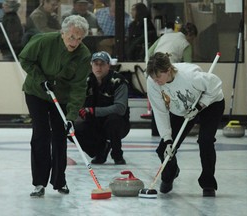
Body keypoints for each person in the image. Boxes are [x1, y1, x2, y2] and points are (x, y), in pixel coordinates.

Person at [19, 15, 91, 197]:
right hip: (37, 92)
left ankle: (60, 181)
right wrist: (41, 80)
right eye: (71, 37)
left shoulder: (83, 55)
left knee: (60, 136)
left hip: (62, 98)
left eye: (79, 38)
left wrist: (71, 116)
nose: (75, 42)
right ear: (63, 33)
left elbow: (79, 87)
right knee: (41, 134)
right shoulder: (44, 41)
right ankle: (39, 183)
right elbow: (25, 59)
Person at [146, 52, 225, 197]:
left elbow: (216, 85)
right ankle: (170, 174)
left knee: (205, 141)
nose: (156, 81)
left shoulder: (190, 76)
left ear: (168, 70)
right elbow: (160, 112)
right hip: (182, 109)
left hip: (211, 103)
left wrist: (200, 106)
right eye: (153, 78)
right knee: (164, 149)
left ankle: (208, 183)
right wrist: (167, 139)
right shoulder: (153, 82)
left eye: (158, 77)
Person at [74, 51, 130, 165]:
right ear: (91, 65)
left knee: (113, 120)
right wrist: (78, 110)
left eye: (102, 64)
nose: (98, 67)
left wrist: (93, 111)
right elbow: (76, 100)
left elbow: (120, 108)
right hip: (95, 123)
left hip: (118, 125)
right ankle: (99, 151)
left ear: (108, 66)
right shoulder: (86, 81)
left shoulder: (119, 81)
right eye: (96, 64)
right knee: (71, 128)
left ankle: (117, 154)